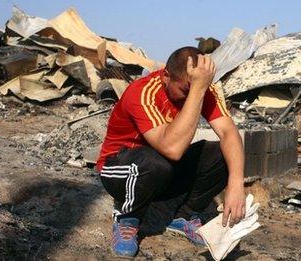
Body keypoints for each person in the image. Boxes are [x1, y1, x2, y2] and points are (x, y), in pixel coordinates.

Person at [96, 46, 246, 257]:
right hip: (121, 168)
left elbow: (229, 133)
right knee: (156, 162)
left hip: (160, 169)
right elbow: (172, 149)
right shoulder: (143, 92)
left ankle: (183, 216)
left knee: (223, 155)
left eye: (196, 88)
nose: (189, 96)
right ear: (166, 76)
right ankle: (127, 219)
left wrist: (236, 183)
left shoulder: (200, 89)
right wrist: (197, 91)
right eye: (186, 90)